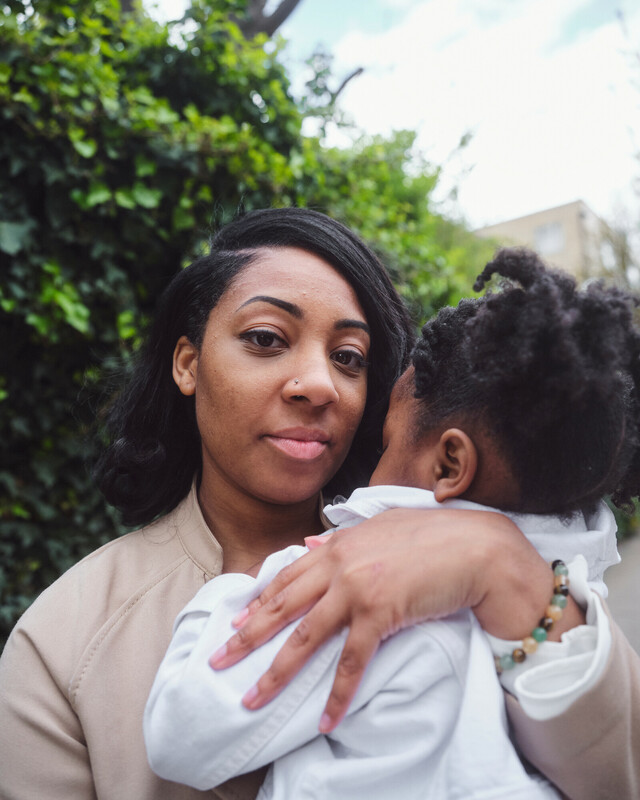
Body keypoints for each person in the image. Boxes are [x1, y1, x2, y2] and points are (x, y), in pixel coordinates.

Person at [0, 209, 638, 800]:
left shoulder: (530, 569)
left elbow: (617, 769)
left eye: (349, 357)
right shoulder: (63, 641)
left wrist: (502, 569)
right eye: (265, 338)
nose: (318, 384)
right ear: (188, 364)